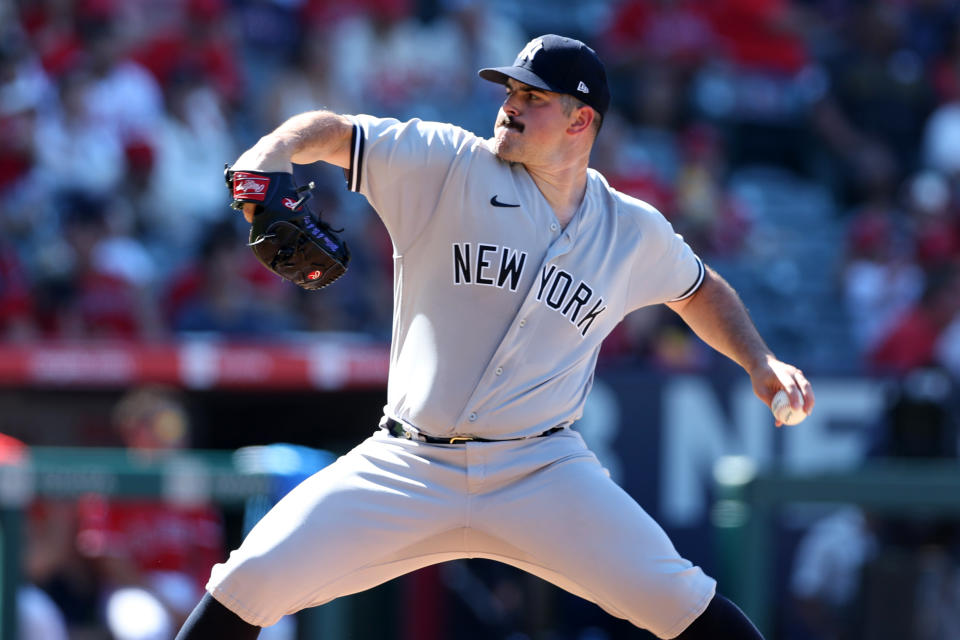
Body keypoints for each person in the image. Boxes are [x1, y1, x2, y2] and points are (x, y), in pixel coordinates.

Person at [176, 35, 815, 640]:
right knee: (247, 580)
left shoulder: (631, 230)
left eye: (532, 98)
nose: (510, 105)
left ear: (579, 121)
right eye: (510, 90)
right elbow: (332, 132)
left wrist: (759, 361)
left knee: (682, 603)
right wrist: (270, 153)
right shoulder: (445, 162)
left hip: (541, 470)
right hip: (407, 464)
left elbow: (700, 289)